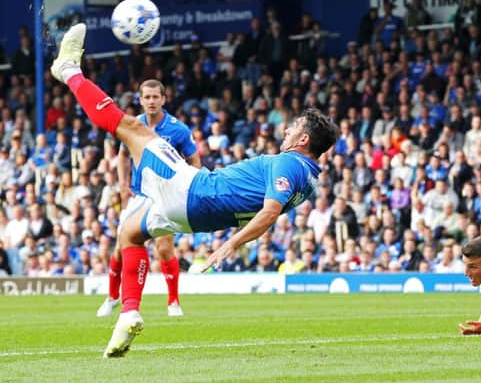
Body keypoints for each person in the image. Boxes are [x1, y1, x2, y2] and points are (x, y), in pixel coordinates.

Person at [50, 23, 338, 358]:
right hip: (196, 215)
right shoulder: (308, 177)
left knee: (132, 128)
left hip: (194, 191)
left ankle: (68, 69)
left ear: (303, 140)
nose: (288, 129)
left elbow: (270, 212)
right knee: (128, 232)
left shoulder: (290, 164)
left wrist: (231, 245)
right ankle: (128, 313)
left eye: (295, 128)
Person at [96, 79, 200, 319]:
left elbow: (195, 162)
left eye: (156, 97)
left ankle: (173, 301)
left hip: (165, 197)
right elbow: (122, 156)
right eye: (147, 97)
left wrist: (185, 189)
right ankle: (112, 297)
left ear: (163, 99)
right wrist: (122, 185)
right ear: (140, 100)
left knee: (164, 248)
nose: (152, 101)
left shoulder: (178, 129)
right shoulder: (132, 125)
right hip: (139, 195)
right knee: (122, 247)